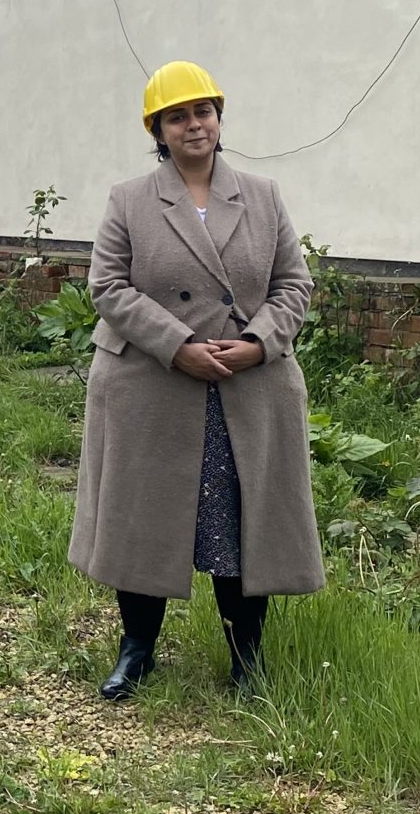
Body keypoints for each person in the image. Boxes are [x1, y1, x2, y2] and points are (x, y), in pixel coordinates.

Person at [71, 62, 325, 699]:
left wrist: (256, 344)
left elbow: (295, 283)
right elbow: (106, 284)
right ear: (157, 129)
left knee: (242, 519)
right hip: (153, 385)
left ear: (219, 118)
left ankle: (248, 659)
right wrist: (176, 344)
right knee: (145, 517)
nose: (194, 125)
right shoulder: (130, 199)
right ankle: (136, 650)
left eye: (203, 112)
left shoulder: (262, 195)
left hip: (247, 385)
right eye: (178, 116)